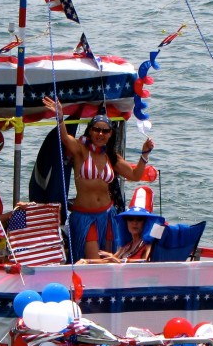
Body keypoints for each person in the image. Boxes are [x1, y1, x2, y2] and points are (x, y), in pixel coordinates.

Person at [41, 96, 155, 263]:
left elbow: (135, 175)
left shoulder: (111, 156)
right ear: (90, 130)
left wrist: (144, 154)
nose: (100, 134)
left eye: (105, 131)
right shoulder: (80, 150)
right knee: (94, 259)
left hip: (107, 215)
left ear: (110, 134)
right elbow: (65, 138)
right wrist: (60, 117)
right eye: (96, 129)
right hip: (85, 217)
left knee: (108, 259)